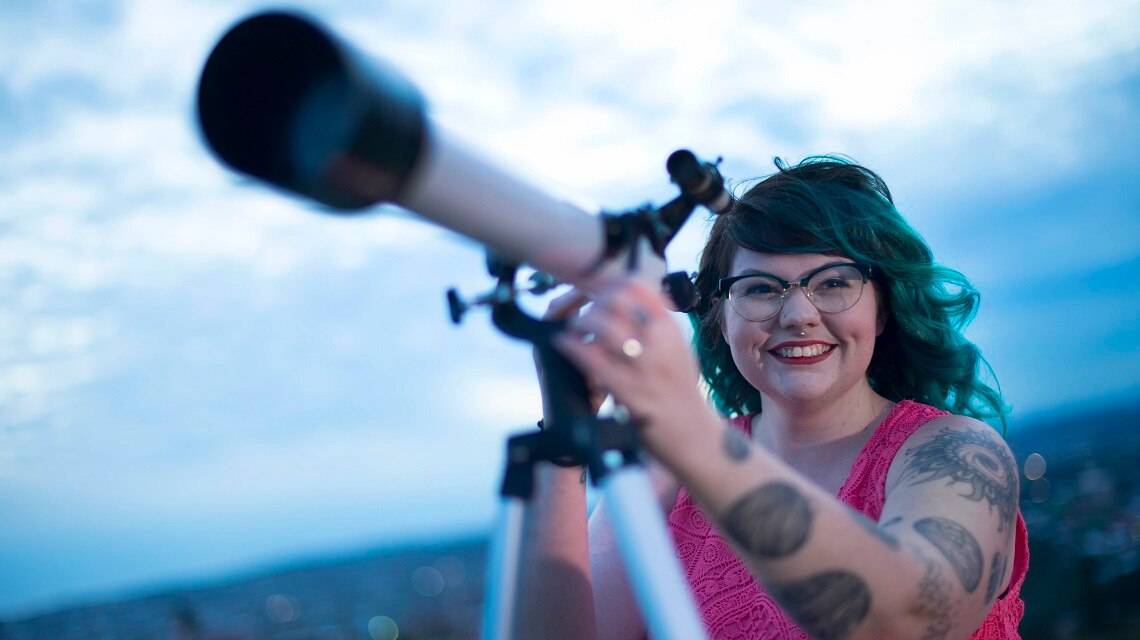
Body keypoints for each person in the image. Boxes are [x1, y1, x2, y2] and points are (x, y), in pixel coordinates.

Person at [513, 156, 1028, 640]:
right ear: (719, 317)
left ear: (883, 309)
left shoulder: (955, 453)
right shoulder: (666, 480)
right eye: (760, 288)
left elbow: (914, 618)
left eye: (833, 283)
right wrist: (565, 433)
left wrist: (688, 429)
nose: (799, 314)